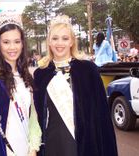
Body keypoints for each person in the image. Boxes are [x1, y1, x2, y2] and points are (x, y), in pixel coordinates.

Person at [33, 15, 118, 156]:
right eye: (55, 38)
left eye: (65, 38)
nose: (59, 43)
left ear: (72, 41)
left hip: (83, 144)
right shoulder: (40, 74)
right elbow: (37, 117)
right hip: (52, 143)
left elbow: (102, 115)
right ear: (49, 41)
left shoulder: (88, 69)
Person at [0, 19, 41, 156]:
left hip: (26, 147)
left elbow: (33, 116)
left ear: (22, 44)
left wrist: (33, 148)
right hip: (3, 149)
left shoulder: (26, 76)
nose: (12, 47)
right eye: (6, 42)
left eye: (17, 41)